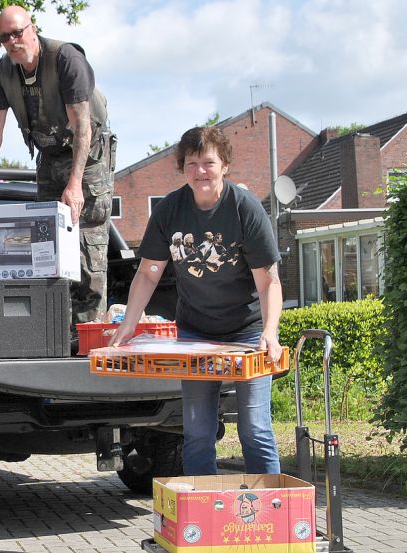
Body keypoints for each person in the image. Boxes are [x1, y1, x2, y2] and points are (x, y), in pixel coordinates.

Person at [109, 126, 283, 475]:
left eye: (208, 162)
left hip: (247, 332)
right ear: (182, 167)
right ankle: (203, 515)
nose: (200, 171)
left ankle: (273, 512)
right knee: (197, 432)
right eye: (192, 163)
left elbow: (268, 280)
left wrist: (270, 331)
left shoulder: (244, 209)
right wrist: (128, 325)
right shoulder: (170, 210)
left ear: (225, 166)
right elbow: (147, 273)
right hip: (195, 332)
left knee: (254, 427)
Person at [0, 4, 116, 328]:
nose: (12, 41)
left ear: (32, 29)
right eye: (4, 37)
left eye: (17, 32)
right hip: (49, 156)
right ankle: (54, 336)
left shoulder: (66, 59)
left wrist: (75, 183)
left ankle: (89, 339)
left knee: (86, 247)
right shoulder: (3, 72)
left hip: (88, 157)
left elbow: (83, 126)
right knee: (46, 247)